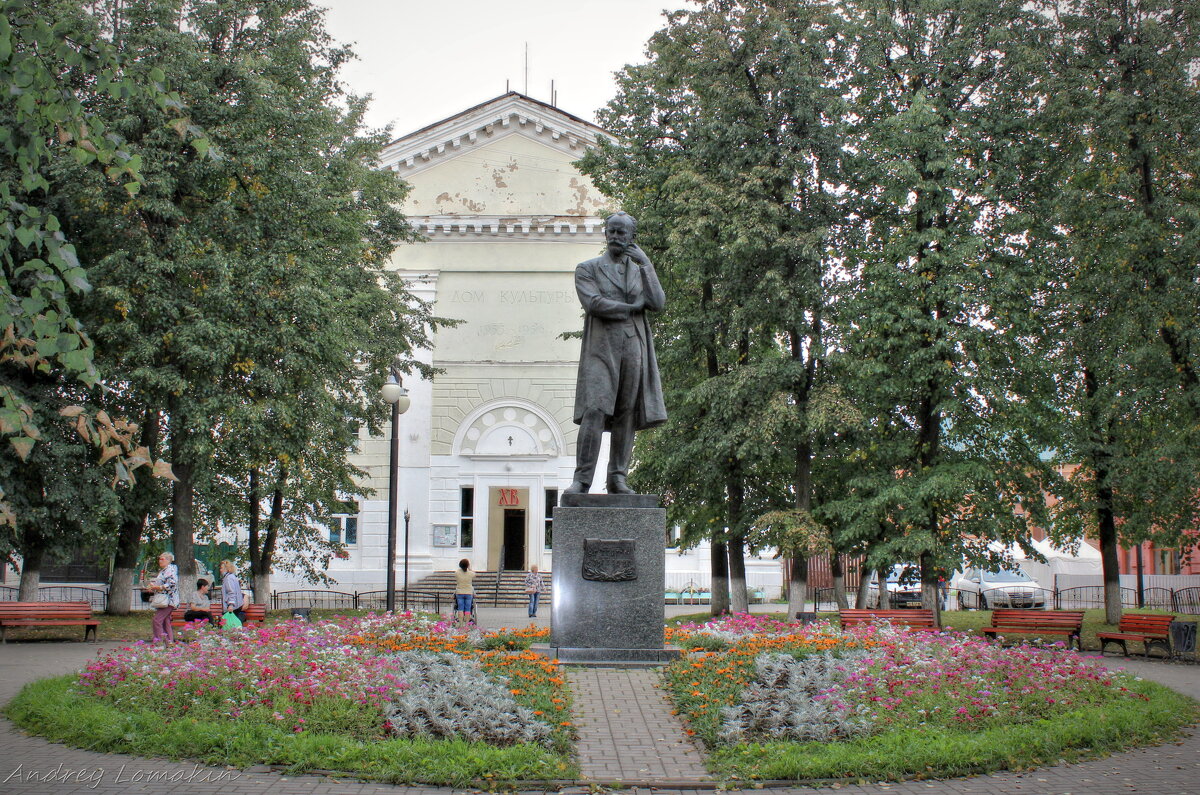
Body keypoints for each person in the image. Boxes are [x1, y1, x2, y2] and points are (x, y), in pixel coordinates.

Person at [564, 212, 667, 496]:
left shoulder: (639, 271)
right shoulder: (588, 268)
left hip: (633, 346)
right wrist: (633, 307)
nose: (615, 237)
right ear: (605, 233)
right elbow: (594, 303)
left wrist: (646, 264)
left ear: (631, 237)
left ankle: (617, 479)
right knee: (594, 409)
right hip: (601, 347)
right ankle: (582, 480)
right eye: (611, 231)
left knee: (626, 414)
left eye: (622, 233)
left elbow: (657, 302)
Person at [145, 552, 178, 644]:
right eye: (159, 559)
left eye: (162, 559)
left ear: (168, 560)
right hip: (164, 599)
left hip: (169, 600)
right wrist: (153, 586)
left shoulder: (170, 570)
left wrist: (158, 587)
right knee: (165, 621)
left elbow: (172, 584)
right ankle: (169, 643)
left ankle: (159, 641)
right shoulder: (164, 570)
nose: (160, 561)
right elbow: (162, 583)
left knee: (157, 620)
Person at [219, 560, 247, 626]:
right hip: (236, 606)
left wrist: (231, 604)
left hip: (232, 607)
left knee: (229, 626)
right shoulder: (232, 577)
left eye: (221, 568)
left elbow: (231, 592)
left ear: (226, 569)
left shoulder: (228, 578)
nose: (220, 570)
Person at [454, 558, 475, 626]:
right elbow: (474, 574)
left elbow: (457, 575)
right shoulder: (471, 573)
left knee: (460, 608)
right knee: (468, 609)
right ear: (467, 565)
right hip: (469, 593)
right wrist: (469, 568)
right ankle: (466, 625)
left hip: (459, 592)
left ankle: (460, 624)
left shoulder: (457, 573)